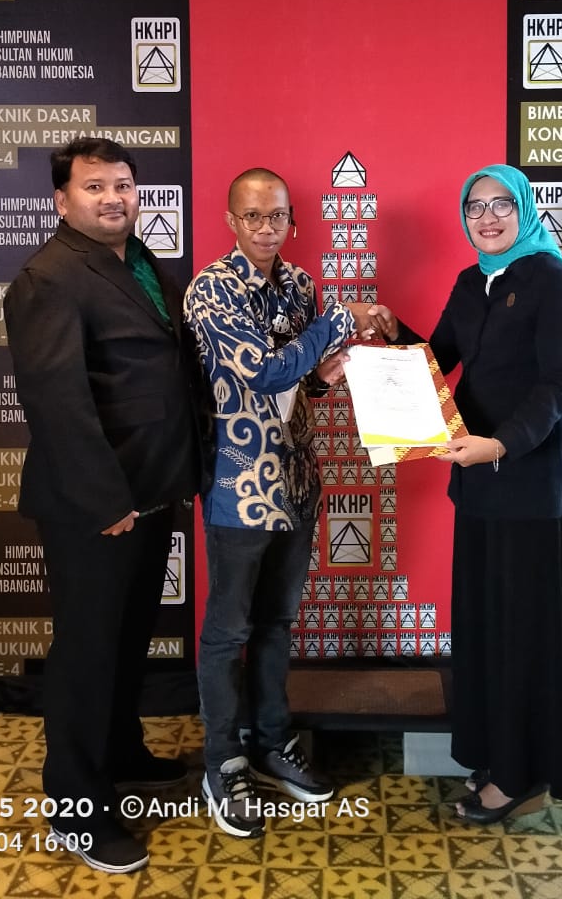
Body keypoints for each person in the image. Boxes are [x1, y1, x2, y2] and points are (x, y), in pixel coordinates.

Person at [3, 138, 206, 874]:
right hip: (98, 502)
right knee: (88, 652)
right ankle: (77, 807)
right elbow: (57, 401)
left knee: (127, 638)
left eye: (123, 183)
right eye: (94, 187)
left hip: (152, 489)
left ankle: (120, 752)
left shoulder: (140, 260)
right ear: (62, 201)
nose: (114, 197)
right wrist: (104, 500)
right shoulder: (49, 277)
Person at [376, 164, 562, 824]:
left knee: (523, 635)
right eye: (475, 207)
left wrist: (499, 445)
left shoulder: (551, 279)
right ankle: (496, 755)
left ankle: (522, 775)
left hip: (530, 485)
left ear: (524, 210)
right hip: (477, 485)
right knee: (488, 630)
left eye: (500, 205)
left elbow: (558, 385)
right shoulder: (473, 282)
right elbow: (436, 361)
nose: (487, 217)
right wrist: (392, 332)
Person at [183, 167, 380, 838]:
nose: (266, 229)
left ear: (293, 222)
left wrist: (326, 375)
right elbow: (265, 372)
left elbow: (298, 383)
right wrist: (339, 321)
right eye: (253, 216)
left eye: (277, 217)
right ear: (231, 221)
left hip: (297, 480)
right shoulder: (211, 289)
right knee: (228, 630)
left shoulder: (299, 284)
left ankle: (271, 741)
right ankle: (223, 760)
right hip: (239, 486)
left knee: (278, 622)